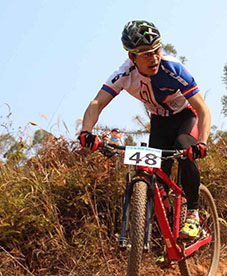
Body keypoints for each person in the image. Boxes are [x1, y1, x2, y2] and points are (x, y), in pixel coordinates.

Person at [78, 20, 211, 239]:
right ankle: (168, 238)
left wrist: (202, 143)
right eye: (146, 54)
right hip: (159, 122)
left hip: (186, 117)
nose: (154, 58)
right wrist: (86, 131)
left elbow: (203, 109)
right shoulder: (124, 74)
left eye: (156, 50)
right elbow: (97, 103)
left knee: (183, 147)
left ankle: (193, 215)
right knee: (157, 180)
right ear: (132, 56)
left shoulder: (173, 68)